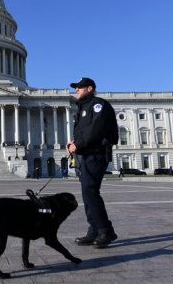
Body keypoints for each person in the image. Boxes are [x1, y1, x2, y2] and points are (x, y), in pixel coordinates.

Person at [66, 77, 119, 249]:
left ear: (90, 88)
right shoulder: (82, 107)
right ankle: (94, 229)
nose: (76, 90)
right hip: (85, 154)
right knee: (87, 192)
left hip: (97, 153)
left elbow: (96, 130)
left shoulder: (98, 105)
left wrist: (78, 145)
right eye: (76, 88)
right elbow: (85, 132)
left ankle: (105, 230)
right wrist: (73, 143)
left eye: (79, 87)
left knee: (90, 190)